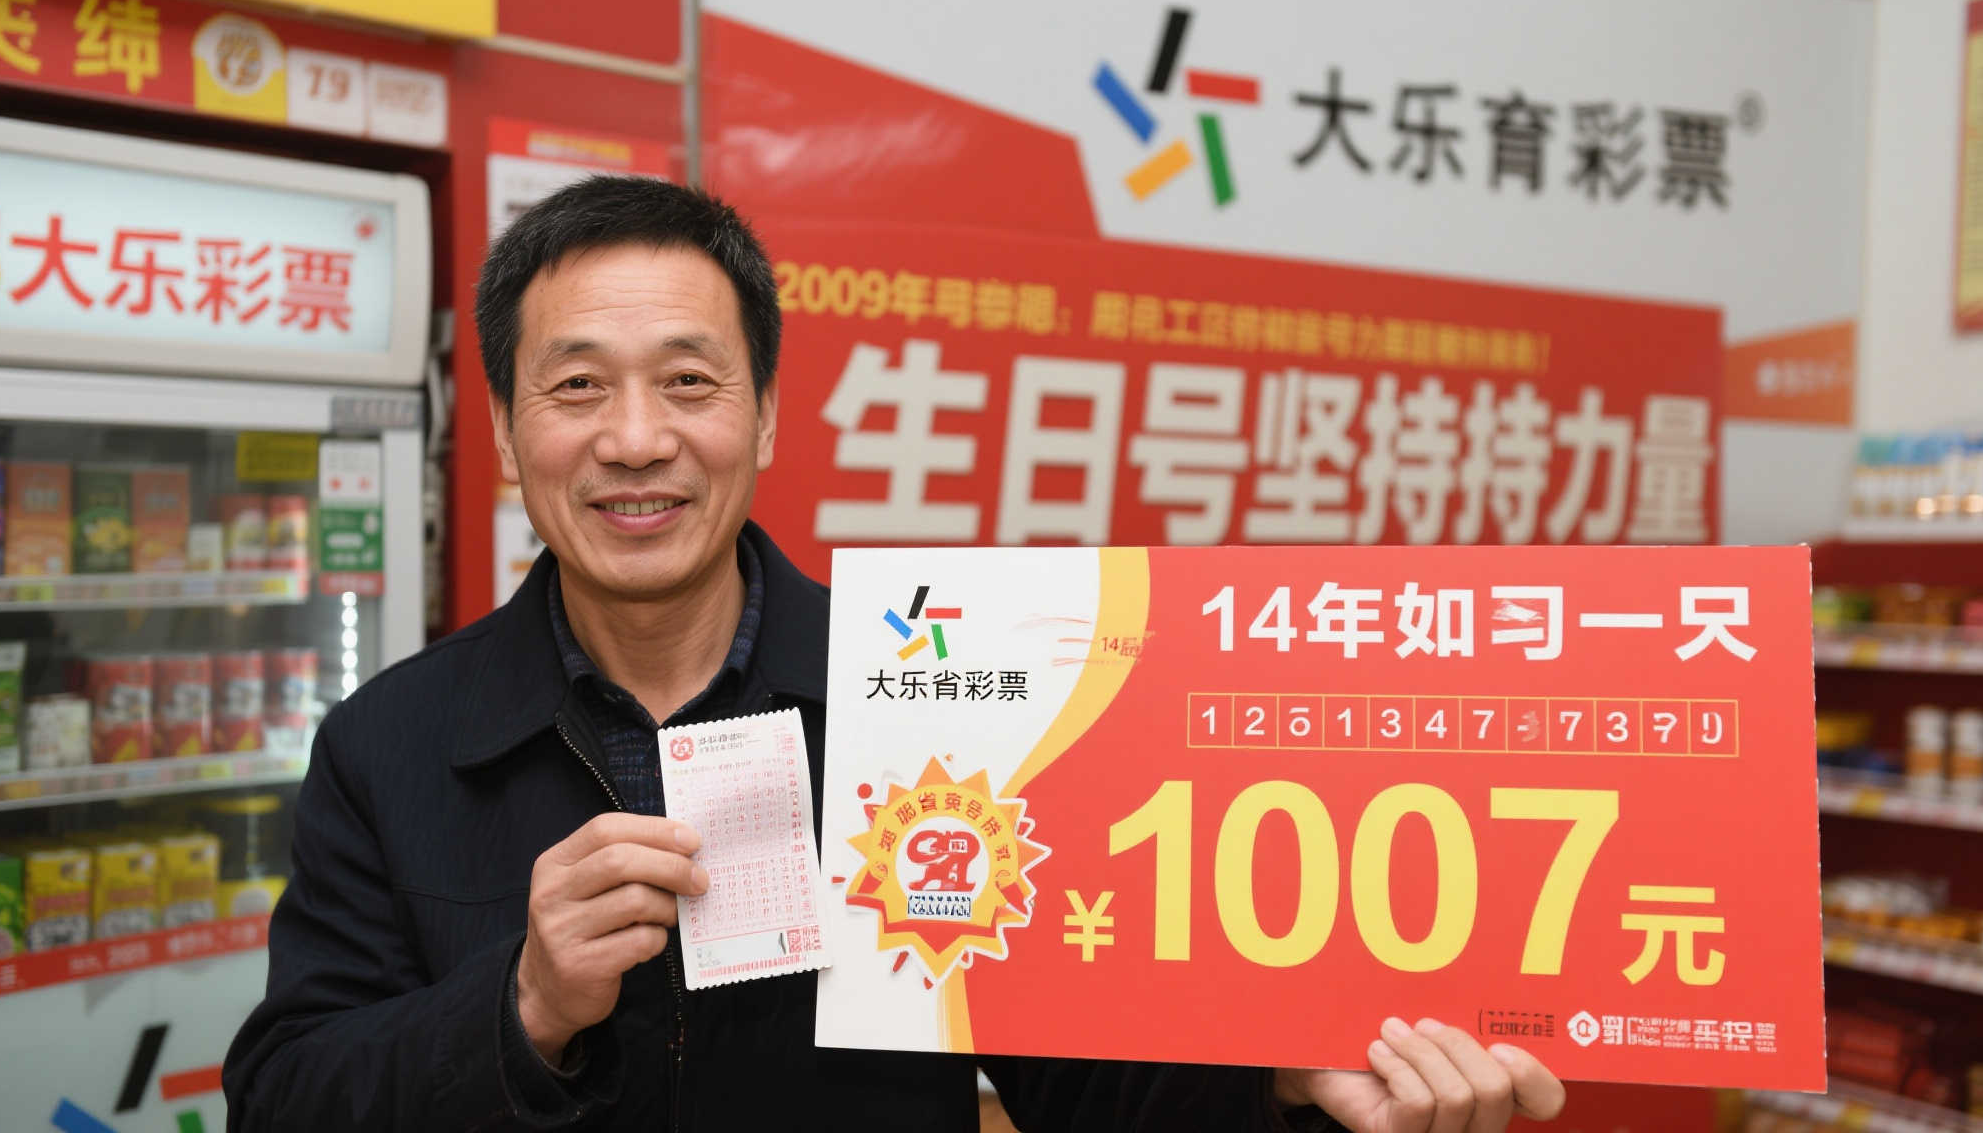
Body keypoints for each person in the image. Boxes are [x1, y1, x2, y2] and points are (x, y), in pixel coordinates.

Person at [223, 175, 1567, 1133]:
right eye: (577, 386)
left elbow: (1085, 1080)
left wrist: (1282, 1086)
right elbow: (282, 1099)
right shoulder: (389, 744)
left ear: (764, 419)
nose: (635, 439)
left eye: (689, 381)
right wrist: (521, 1004)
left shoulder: (941, 704)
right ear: (510, 436)